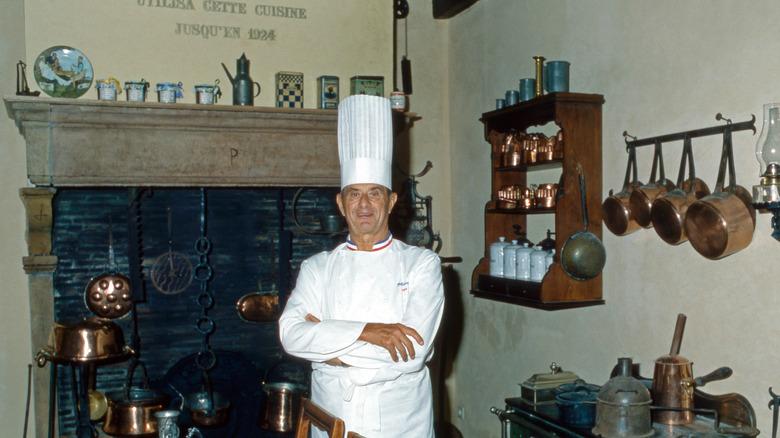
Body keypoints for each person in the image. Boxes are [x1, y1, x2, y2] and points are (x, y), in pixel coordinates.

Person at [279, 94, 445, 437]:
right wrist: (372, 332)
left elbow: (412, 354)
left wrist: (328, 347)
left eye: (374, 193)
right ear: (341, 204)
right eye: (354, 194)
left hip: (400, 422)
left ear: (392, 200)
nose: (364, 204)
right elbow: (291, 335)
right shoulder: (317, 268)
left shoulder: (422, 265)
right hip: (333, 418)